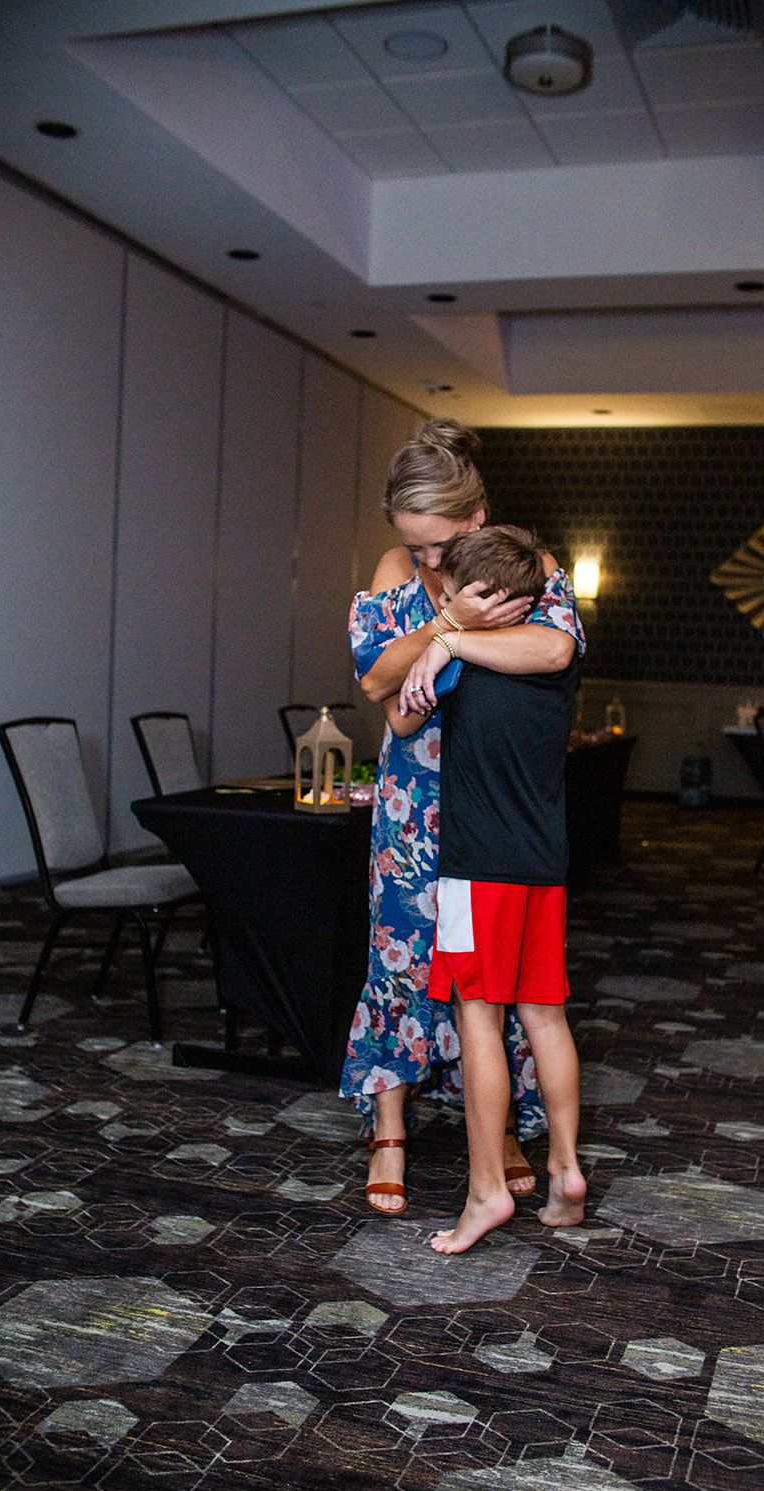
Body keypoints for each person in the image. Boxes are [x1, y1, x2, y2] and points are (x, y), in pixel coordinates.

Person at [342, 420, 584, 1214]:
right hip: (413, 801)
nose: (426, 561)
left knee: (498, 978)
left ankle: (501, 1127)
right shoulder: (397, 568)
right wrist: (450, 625)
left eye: (440, 545)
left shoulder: (524, 563)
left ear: (476, 519)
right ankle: (389, 1128)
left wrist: (450, 646)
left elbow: (554, 651)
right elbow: (377, 680)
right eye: (413, 545)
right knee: (399, 957)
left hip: (493, 797)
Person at [389, 525, 586, 1253]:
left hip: (477, 867)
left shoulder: (467, 660)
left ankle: (485, 1191)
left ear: (479, 593)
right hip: (543, 863)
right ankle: (565, 1172)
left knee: (480, 1017)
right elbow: (553, 649)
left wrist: (445, 639)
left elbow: (401, 718)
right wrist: (451, 639)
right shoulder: (550, 652)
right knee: (546, 1017)